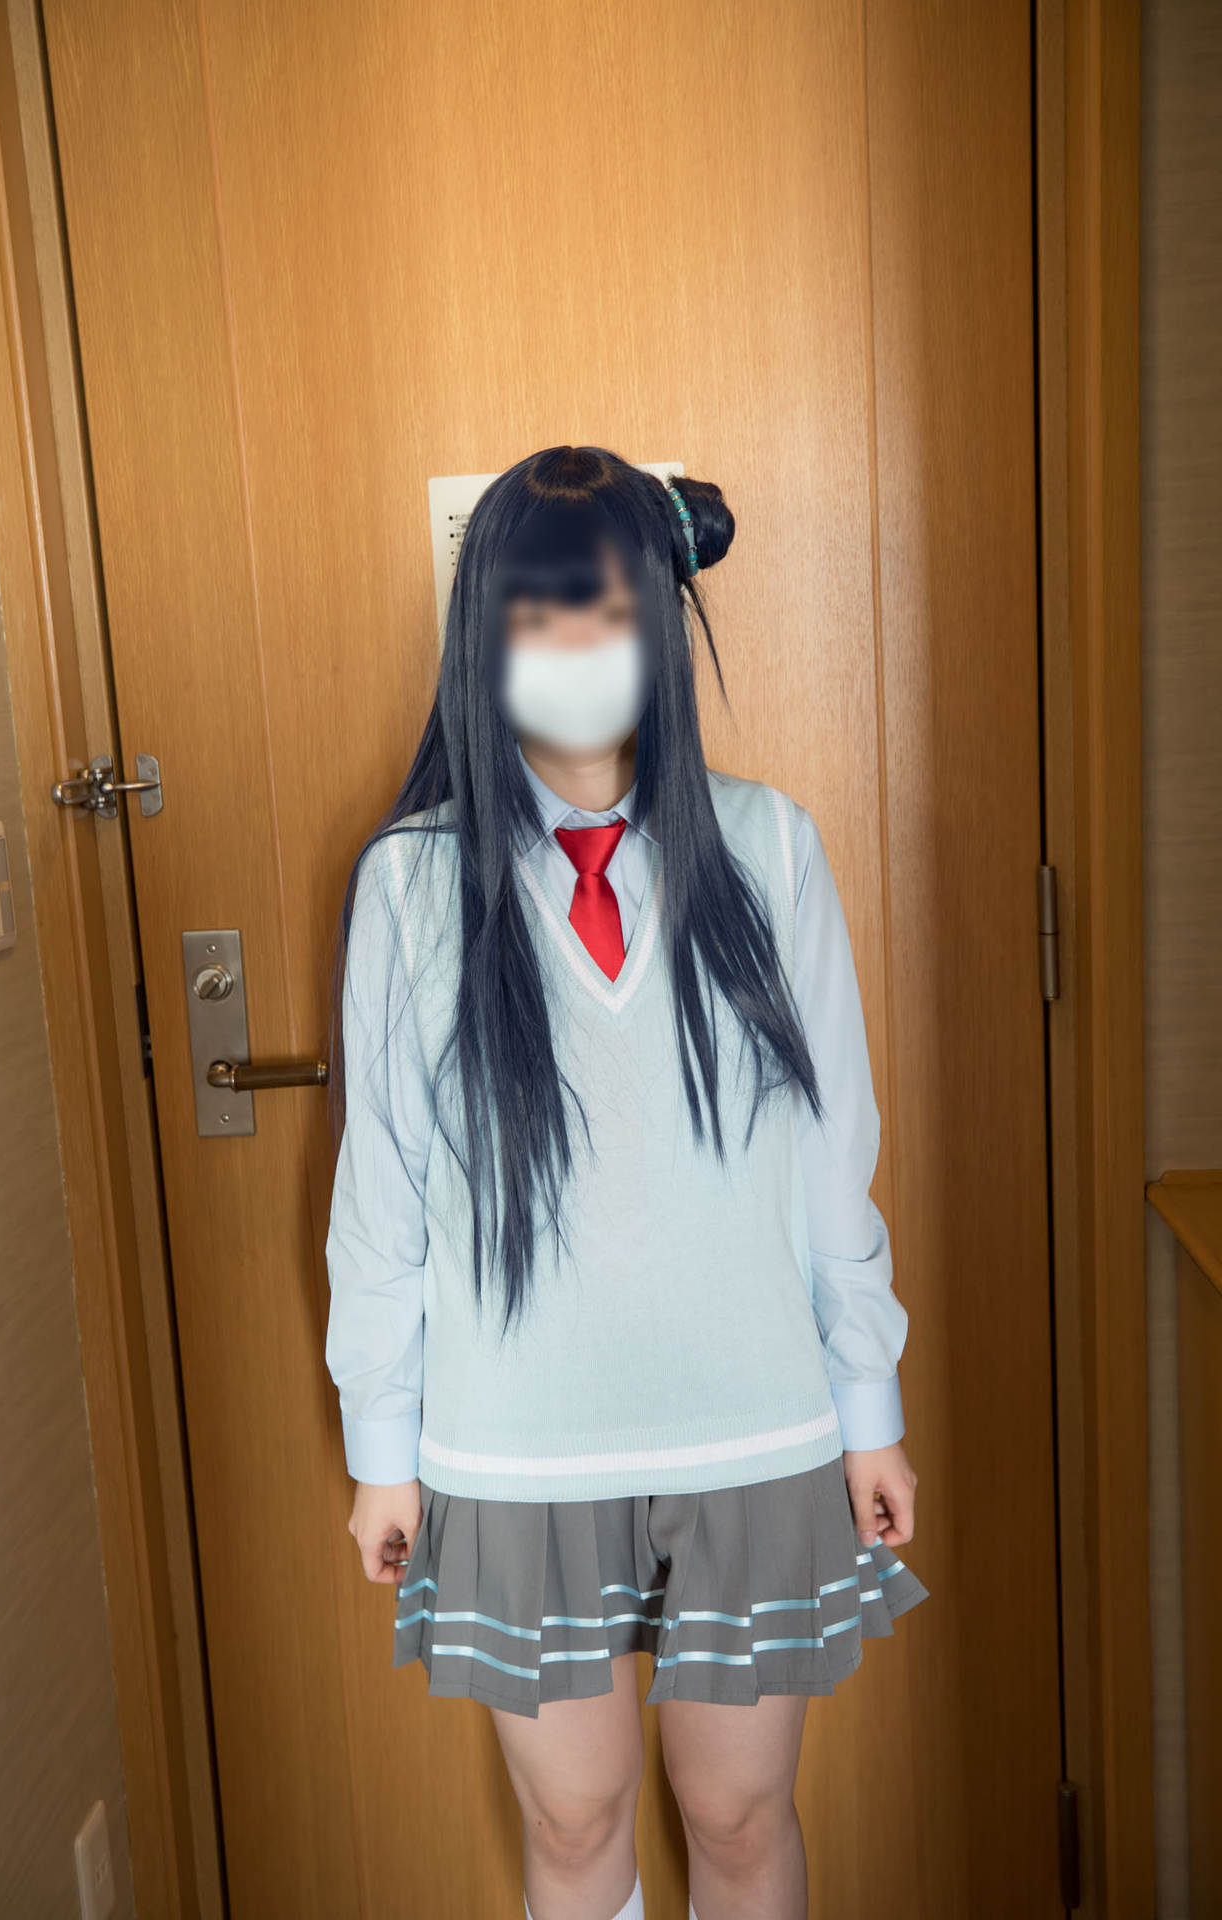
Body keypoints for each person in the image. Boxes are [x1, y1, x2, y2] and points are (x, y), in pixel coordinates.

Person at [324, 445, 927, 1920]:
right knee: (577, 1819)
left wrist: (870, 1411)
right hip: (514, 1443)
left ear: (661, 618)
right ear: (484, 637)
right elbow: (383, 1186)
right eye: (538, 615)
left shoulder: (770, 847)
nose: (575, 648)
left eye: (604, 611)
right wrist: (382, 1443)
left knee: (740, 1816)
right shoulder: (411, 883)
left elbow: (831, 1155)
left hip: (754, 1423)